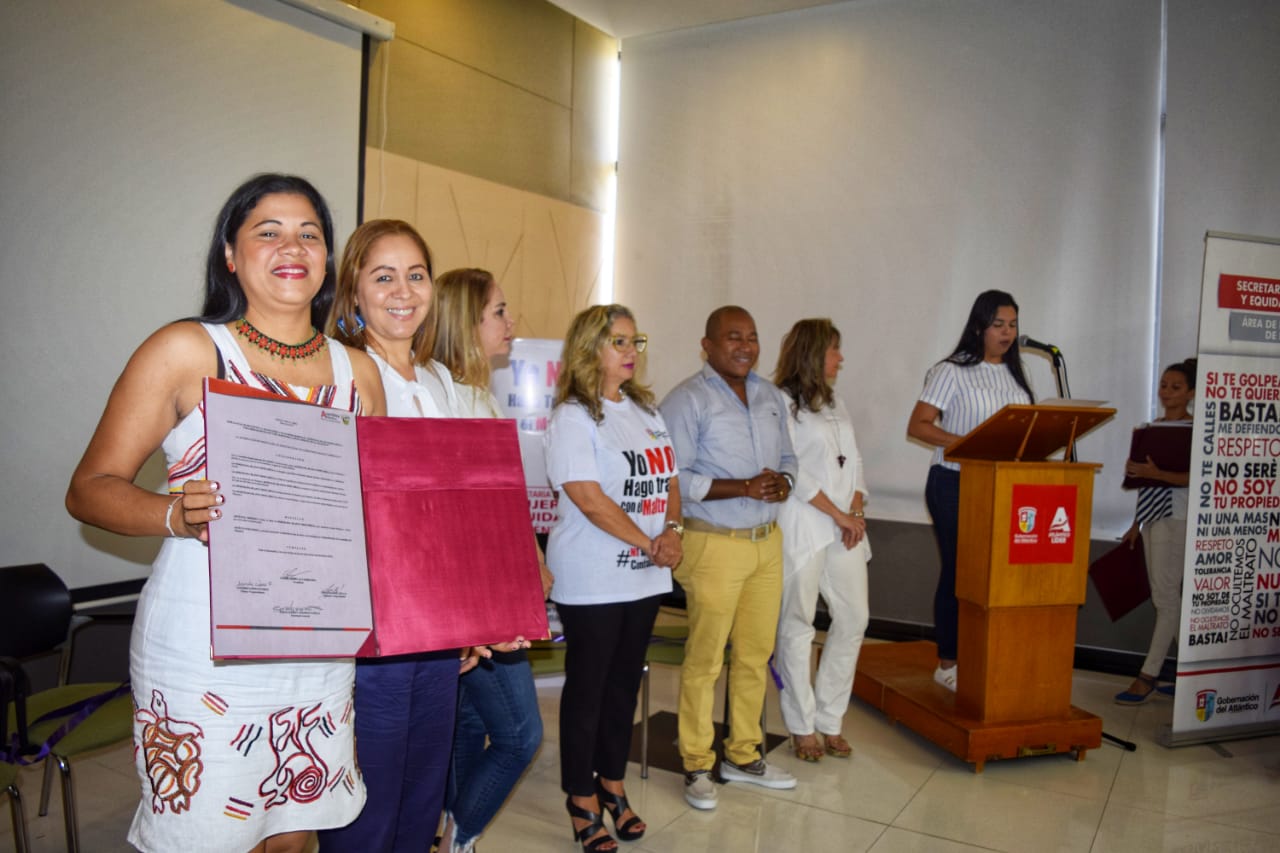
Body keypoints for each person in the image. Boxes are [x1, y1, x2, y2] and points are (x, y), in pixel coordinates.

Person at [65, 174, 386, 853]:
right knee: (205, 837)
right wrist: (172, 514)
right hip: (204, 648)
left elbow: (376, 513)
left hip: (317, 648)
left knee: (296, 837)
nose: (291, 245)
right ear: (231, 256)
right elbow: (90, 486)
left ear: (327, 258)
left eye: (309, 232)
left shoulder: (358, 371)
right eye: (267, 231)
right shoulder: (187, 349)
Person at [316, 219, 470, 852]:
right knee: (366, 806)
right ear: (353, 291)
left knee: (421, 797)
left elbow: (460, 513)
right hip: (371, 631)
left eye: (416, 275)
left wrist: (470, 617)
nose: (402, 290)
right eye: (383, 276)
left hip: (436, 630)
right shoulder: (338, 375)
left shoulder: (439, 381)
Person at [545, 304, 683, 852]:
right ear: (588, 350)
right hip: (594, 578)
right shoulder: (573, 417)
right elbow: (589, 499)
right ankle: (580, 798)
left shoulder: (645, 409)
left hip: (644, 578)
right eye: (618, 342)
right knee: (588, 690)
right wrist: (651, 542)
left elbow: (669, 477)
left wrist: (671, 529)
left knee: (625, 686)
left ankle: (612, 782)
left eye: (635, 341)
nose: (631, 352)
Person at [430, 267, 551, 853]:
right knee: (521, 736)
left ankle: (455, 829)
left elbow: (501, 502)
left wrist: (530, 558)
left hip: (491, 590)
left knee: (473, 726)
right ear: (465, 320)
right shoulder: (433, 397)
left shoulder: (478, 396)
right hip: (467, 600)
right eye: (499, 311)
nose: (511, 321)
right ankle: (461, 832)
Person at [659, 305, 799, 811]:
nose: (745, 346)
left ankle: (743, 755)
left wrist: (785, 480)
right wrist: (740, 486)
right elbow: (673, 478)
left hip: (767, 542)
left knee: (755, 655)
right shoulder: (687, 400)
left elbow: (789, 458)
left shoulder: (770, 396)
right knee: (705, 660)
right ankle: (697, 763)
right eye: (733, 337)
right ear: (708, 345)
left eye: (753, 337)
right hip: (713, 543)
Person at [906, 290, 1034, 692]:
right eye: (999, 325)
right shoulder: (953, 370)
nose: (1007, 333)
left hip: (1003, 486)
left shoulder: (1015, 373)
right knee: (962, 570)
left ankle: (983, 650)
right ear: (979, 326)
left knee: (993, 574)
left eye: (1012, 325)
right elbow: (919, 425)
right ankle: (948, 661)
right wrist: (964, 442)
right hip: (955, 482)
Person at [772, 319, 870, 762]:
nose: (841, 359)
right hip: (805, 524)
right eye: (834, 350)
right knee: (797, 624)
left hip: (844, 527)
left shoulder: (835, 401)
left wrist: (858, 509)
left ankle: (831, 718)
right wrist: (839, 514)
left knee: (853, 619)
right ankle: (801, 724)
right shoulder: (782, 403)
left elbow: (855, 462)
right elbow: (796, 472)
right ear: (813, 353)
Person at [1114, 358, 1196, 704]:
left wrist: (1159, 473)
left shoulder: (1198, 430)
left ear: (1191, 392)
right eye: (1164, 385)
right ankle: (1194, 674)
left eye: (1176, 387)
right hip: (1153, 518)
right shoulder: (1154, 427)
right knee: (1166, 597)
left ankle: (1148, 675)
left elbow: (1196, 479)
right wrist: (1136, 522)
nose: (1167, 392)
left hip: (1178, 516)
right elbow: (1146, 481)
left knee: (1165, 598)